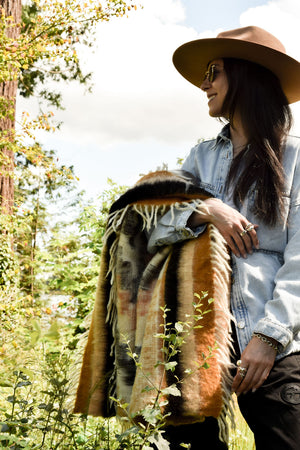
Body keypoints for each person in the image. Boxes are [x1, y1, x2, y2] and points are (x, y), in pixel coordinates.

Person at [147, 26, 300, 449]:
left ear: (247, 76)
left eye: (214, 71)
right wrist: (206, 209)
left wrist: (269, 338)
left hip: (275, 345)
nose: (204, 84)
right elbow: (153, 223)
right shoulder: (199, 157)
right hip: (196, 340)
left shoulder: (295, 156)